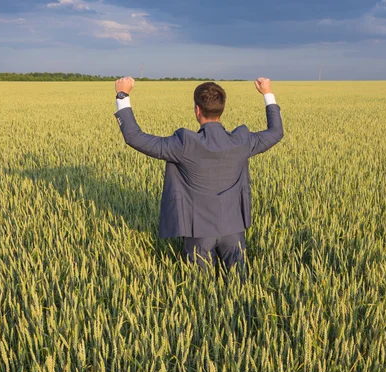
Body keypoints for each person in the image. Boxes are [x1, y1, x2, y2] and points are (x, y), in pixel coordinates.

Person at [114, 77, 283, 272]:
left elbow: (135, 137)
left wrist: (122, 95)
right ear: (222, 109)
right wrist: (267, 93)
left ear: (197, 110)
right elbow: (276, 132)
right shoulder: (242, 141)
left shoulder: (184, 144)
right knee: (239, 287)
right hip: (234, 228)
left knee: (202, 290)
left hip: (198, 231)